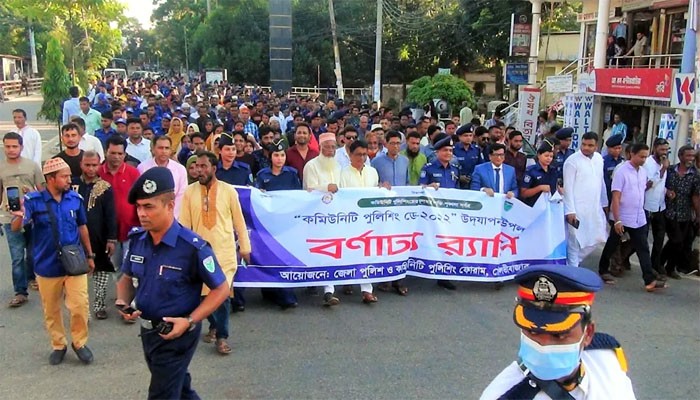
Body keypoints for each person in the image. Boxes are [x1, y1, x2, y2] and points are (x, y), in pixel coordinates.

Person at [116, 167, 229, 399]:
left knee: (162, 394)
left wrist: (189, 321)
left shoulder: (192, 247)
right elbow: (126, 277)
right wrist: (122, 301)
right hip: (148, 333)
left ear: (169, 206)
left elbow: (221, 289)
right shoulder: (138, 240)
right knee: (180, 387)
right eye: (138, 206)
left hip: (178, 335)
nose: (141, 213)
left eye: (149, 206)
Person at [479, 265, 635, 399]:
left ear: (587, 334)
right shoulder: (503, 394)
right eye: (532, 332)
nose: (543, 345)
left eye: (559, 335)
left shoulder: (606, 358)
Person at [10, 157, 95, 365]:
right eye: (64, 176)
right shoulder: (33, 201)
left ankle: (80, 342)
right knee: (52, 309)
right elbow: (15, 228)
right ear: (50, 178)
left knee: (80, 306)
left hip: (75, 263)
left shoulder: (75, 198)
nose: (69, 179)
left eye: (68, 176)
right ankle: (59, 344)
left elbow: (82, 227)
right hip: (47, 265)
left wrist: (90, 255)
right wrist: (20, 216)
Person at [181, 151, 251, 355]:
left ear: (214, 168)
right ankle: (213, 325)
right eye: (196, 167)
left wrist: (245, 247)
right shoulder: (189, 192)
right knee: (203, 298)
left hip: (224, 253)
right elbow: (184, 225)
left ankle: (222, 337)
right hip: (200, 254)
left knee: (222, 297)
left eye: (203, 166)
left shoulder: (229, 191)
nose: (199, 170)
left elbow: (239, 221)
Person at [598, 144, 666, 292]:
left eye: (645, 156)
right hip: (622, 216)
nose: (643, 159)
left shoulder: (642, 172)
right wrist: (617, 220)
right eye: (641, 156)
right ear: (632, 154)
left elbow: (642, 191)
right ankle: (603, 269)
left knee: (643, 247)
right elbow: (616, 197)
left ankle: (649, 280)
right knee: (612, 243)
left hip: (638, 217)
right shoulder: (621, 171)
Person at [98, 135, 141, 321]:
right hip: (108, 234)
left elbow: (140, 200)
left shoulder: (133, 173)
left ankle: (127, 306)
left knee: (129, 269)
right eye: (112, 153)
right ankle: (121, 300)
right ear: (106, 151)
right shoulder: (98, 173)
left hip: (131, 230)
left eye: (120, 153)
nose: (115, 157)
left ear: (125, 155)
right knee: (115, 268)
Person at [0, 132, 45, 307]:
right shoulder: (1, 167)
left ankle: (33, 277)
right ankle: (20, 291)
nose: (11, 150)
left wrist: (31, 194)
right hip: (9, 218)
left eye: (14, 146)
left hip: (31, 217)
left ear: (21, 147)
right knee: (17, 256)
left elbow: (42, 192)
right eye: (8, 146)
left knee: (33, 253)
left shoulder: (32, 166)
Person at [255, 141, 301, 308]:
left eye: (282, 155)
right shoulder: (262, 175)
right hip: (268, 224)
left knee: (285, 258)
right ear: (270, 157)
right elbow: (257, 197)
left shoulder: (292, 174)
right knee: (269, 257)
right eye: (276, 155)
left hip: (287, 223)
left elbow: (299, 197)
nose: (279, 158)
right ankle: (268, 290)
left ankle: (286, 293)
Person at [338, 140, 384, 304]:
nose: (362, 157)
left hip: (368, 221)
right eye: (358, 154)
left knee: (366, 254)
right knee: (348, 252)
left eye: (365, 154)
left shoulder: (372, 172)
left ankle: (367, 290)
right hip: (348, 219)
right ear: (350, 155)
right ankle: (347, 280)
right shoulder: (342, 173)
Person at [76, 151, 117, 319]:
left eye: (94, 165)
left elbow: (110, 215)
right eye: (87, 165)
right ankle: (80, 309)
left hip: (99, 238)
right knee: (78, 275)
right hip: (75, 239)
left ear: (100, 164)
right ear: (81, 164)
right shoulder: (72, 184)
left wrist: (111, 239)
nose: (91, 168)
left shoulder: (105, 187)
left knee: (101, 272)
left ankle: (99, 305)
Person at [563, 132, 609, 268]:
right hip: (576, 209)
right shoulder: (572, 161)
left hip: (594, 207)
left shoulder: (599, 159)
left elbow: (601, 182)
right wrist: (570, 210)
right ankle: (572, 270)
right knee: (575, 241)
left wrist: (605, 203)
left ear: (597, 146)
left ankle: (572, 263)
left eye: (590, 145)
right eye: (584, 144)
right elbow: (568, 188)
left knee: (598, 237)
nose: (586, 148)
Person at [661, 145, 700, 278]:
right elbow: (661, 185)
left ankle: (666, 266)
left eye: (693, 156)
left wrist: (698, 214)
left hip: (685, 214)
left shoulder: (695, 175)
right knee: (676, 240)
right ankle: (662, 265)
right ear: (680, 156)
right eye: (688, 155)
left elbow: (695, 196)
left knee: (677, 242)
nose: (691, 158)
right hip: (669, 211)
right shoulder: (670, 170)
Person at [137, 136, 188, 218]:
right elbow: (140, 195)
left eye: (167, 148)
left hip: (174, 216)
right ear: (153, 149)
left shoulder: (180, 170)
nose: (164, 151)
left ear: (171, 150)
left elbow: (181, 197)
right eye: (160, 148)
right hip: (149, 216)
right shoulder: (142, 168)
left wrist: (171, 216)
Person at [643, 138, 670, 277]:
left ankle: (655, 265)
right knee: (642, 240)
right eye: (662, 150)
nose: (664, 153)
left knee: (659, 239)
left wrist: (667, 191)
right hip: (647, 206)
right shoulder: (648, 163)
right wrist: (662, 170)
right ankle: (623, 259)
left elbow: (661, 185)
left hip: (660, 207)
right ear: (654, 148)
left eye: (666, 150)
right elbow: (646, 185)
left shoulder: (664, 163)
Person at [520, 140, 560, 207]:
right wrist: (539, 188)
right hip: (533, 206)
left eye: (551, 156)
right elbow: (523, 193)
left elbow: (554, 188)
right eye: (546, 156)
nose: (549, 159)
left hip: (549, 206)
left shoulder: (553, 170)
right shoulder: (531, 171)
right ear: (539, 155)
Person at [453, 124, 483, 189]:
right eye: (465, 135)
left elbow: (481, 166)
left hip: (473, 182)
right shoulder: (453, 149)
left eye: (470, 135)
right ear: (459, 137)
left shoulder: (477, 150)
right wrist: (458, 176)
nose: (468, 138)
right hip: (457, 183)